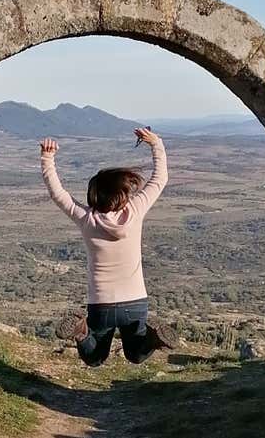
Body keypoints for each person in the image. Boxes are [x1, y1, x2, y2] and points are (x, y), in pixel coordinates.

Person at [39, 128, 178, 367]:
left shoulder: (86, 219)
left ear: (94, 195)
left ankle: (81, 331)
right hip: (136, 301)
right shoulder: (135, 211)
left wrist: (47, 158)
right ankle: (153, 339)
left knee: (95, 357)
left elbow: (58, 194)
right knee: (135, 354)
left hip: (101, 303)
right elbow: (160, 178)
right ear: (123, 193)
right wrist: (156, 143)